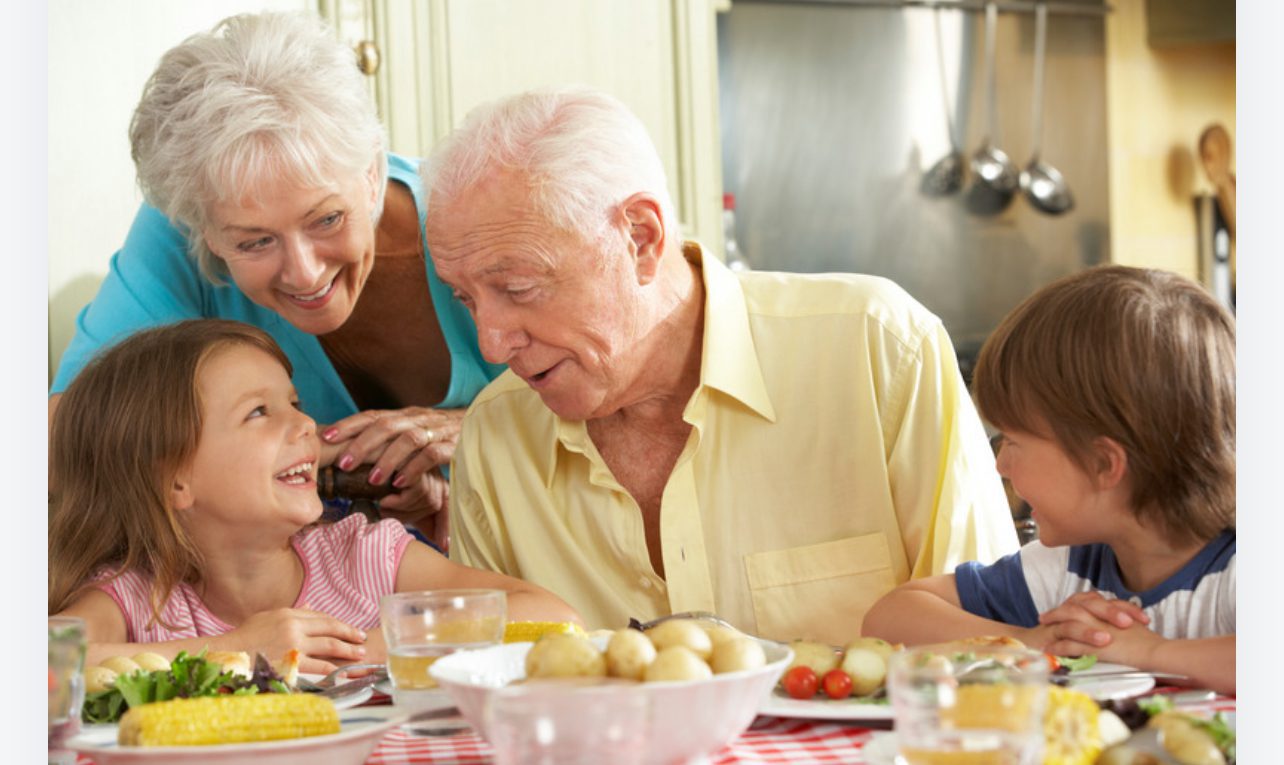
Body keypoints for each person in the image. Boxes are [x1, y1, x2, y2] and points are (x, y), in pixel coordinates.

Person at [420, 86, 1018, 644]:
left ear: (641, 238)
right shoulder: (497, 434)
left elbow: (986, 651)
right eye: (467, 300)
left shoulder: (877, 348)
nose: (492, 346)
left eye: (518, 287)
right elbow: (497, 702)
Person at [48, 12, 504, 548]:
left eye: (327, 219)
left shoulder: (480, 218)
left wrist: (481, 430)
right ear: (204, 230)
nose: (305, 272)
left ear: (371, 174)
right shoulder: (182, 229)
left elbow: (618, 395)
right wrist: (322, 458)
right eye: (254, 241)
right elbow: (60, 445)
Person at [48, 320, 580, 673]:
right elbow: (42, 663)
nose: (304, 423)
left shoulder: (363, 557)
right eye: (259, 412)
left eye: (295, 402)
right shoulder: (140, 596)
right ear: (174, 481)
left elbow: (551, 614)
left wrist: (360, 649)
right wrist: (234, 651)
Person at [862, 266, 1235, 694]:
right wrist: (1030, 643)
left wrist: (1147, 653)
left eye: (1015, 442)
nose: (1000, 465)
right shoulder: (1069, 569)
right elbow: (890, 617)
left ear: (1103, 464)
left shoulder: (1235, 567)